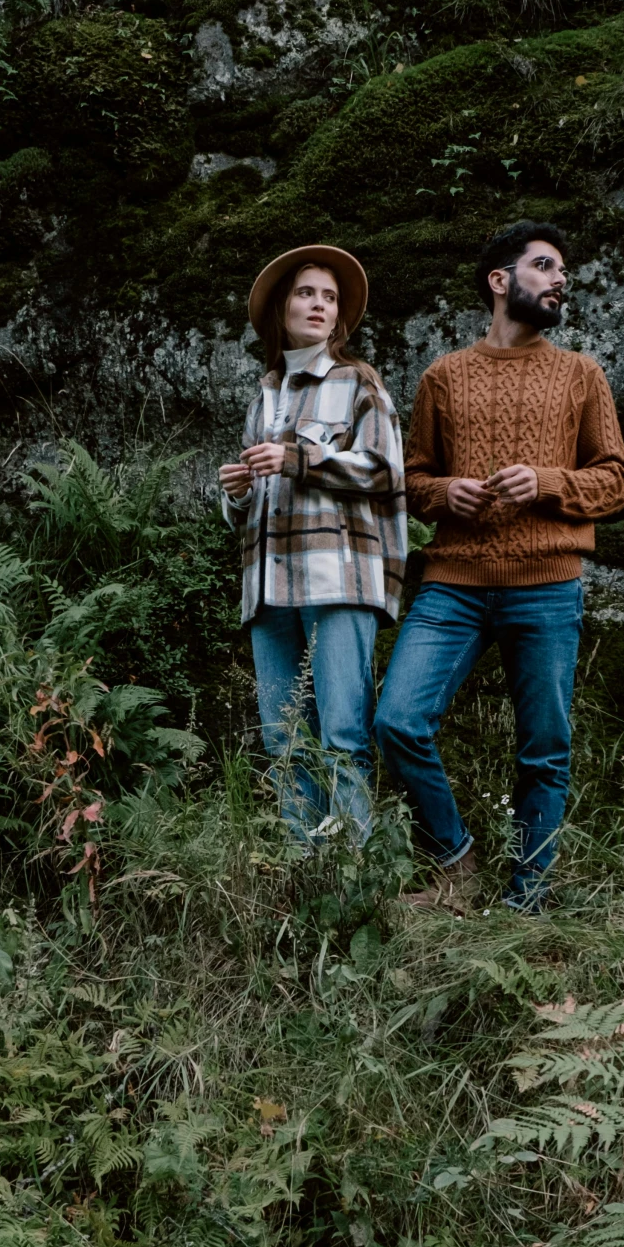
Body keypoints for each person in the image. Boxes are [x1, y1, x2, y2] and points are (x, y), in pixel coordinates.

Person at [374, 219, 624, 911]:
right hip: (452, 584)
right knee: (396, 720)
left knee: (543, 750)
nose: (558, 281)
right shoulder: (443, 376)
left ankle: (525, 901)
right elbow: (411, 478)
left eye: (561, 272)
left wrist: (547, 482)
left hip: (548, 587)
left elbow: (615, 480)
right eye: (544, 266)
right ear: (500, 280)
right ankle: (454, 860)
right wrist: (442, 493)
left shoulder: (581, 374)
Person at [220, 244, 408, 848]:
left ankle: (351, 878)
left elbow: (384, 471)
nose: (320, 305)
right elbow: (253, 508)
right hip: (268, 589)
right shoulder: (264, 397)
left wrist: (300, 458)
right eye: (307, 293)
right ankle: (304, 875)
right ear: (282, 308)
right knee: (283, 740)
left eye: (329, 298)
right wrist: (239, 492)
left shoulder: (360, 383)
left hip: (338, 581)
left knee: (341, 735)